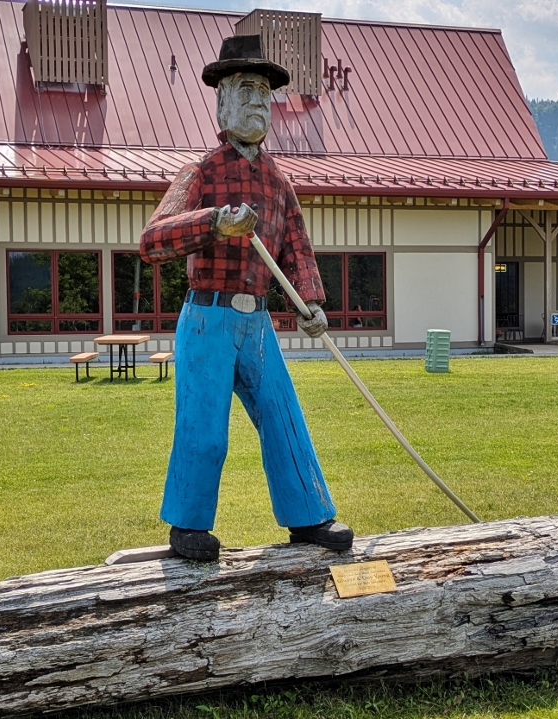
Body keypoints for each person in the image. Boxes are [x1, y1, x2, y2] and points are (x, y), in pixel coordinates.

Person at [139, 34, 351, 561]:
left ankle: (308, 518)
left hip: (257, 326)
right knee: (204, 428)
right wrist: (214, 222)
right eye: (246, 90)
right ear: (222, 102)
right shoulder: (202, 173)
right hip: (207, 319)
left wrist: (311, 302)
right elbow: (153, 240)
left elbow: (296, 248)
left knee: (284, 415)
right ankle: (187, 526)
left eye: (264, 92)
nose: (258, 102)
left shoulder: (279, 183)